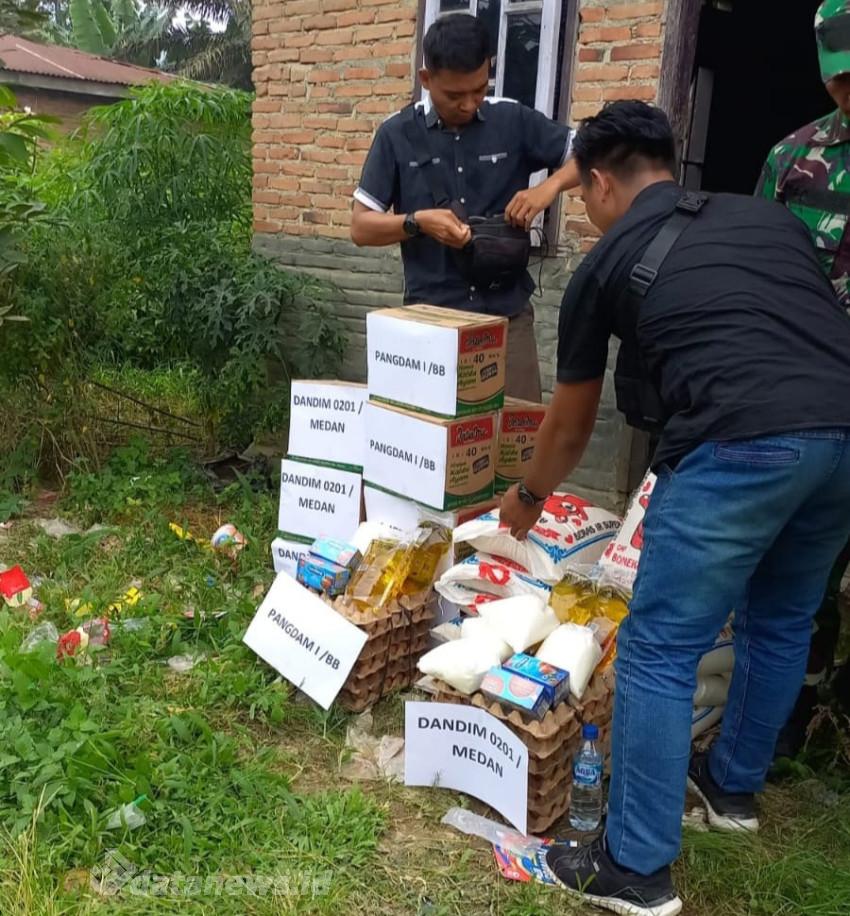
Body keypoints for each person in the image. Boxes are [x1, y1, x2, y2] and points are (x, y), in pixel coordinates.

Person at [500, 100, 850, 916]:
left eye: (584, 197)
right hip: (842, 438)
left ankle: (634, 868)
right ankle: (731, 792)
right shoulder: (766, 222)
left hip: (742, 443)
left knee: (660, 647)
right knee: (782, 619)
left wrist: (525, 499)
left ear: (598, 183)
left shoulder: (606, 263)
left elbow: (572, 424)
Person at [350, 13, 579, 401]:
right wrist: (417, 222)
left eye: (478, 89)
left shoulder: (512, 119)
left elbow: (592, 152)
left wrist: (548, 189)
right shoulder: (396, 134)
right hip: (430, 322)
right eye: (454, 96)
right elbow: (360, 227)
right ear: (426, 80)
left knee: (517, 440)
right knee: (428, 441)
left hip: (507, 317)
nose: (469, 104)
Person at [756, 0, 850, 757]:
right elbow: (752, 270)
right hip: (804, 395)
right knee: (802, 570)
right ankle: (792, 722)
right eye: (842, 80)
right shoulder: (793, 160)